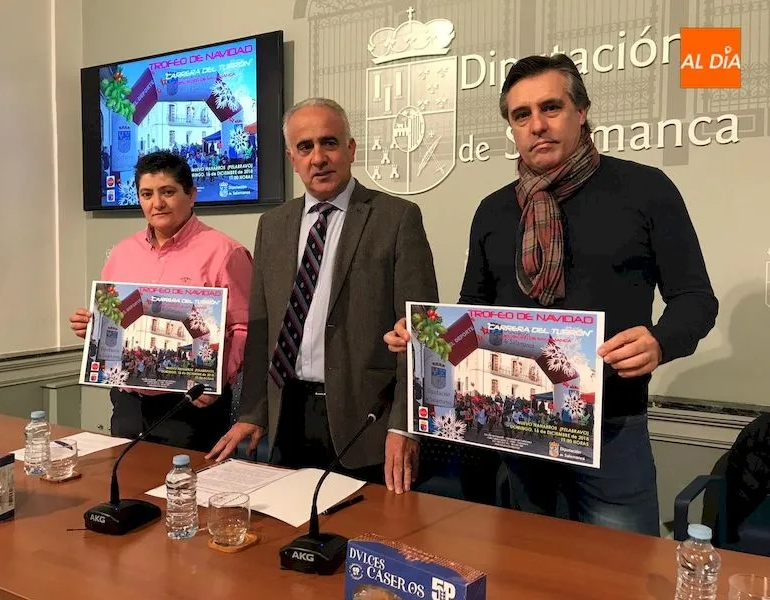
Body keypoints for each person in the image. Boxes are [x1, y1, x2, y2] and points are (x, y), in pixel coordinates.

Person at [383, 54, 718, 534]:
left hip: (613, 432)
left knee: (619, 577)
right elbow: (471, 316)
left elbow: (696, 299)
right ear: (512, 128)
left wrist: (661, 341)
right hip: (516, 433)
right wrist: (422, 335)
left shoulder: (647, 190)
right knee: (529, 573)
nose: (537, 125)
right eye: (522, 115)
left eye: (551, 108)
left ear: (581, 112)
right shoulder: (493, 211)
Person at [206, 98, 438, 494]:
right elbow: (263, 332)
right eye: (305, 147)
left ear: (350, 149)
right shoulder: (272, 225)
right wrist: (254, 411)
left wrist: (405, 426)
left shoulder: (396, 218)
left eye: (329, 143)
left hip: (366, 419)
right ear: (292, 158)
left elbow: (421, 334)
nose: (318, 157)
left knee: (359, 541)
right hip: (289, 415)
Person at [69, 151, 252, 452]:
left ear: (191, 195)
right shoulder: (121, 253)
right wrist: (91, 327)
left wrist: (217, 380)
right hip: (127, 402)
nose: (157, 203)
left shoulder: (225, 253)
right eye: (147, 194)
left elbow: (244, 329)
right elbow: (115, 319)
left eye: (168, 192)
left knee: (187, 494)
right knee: (128, 489)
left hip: (191, 408)